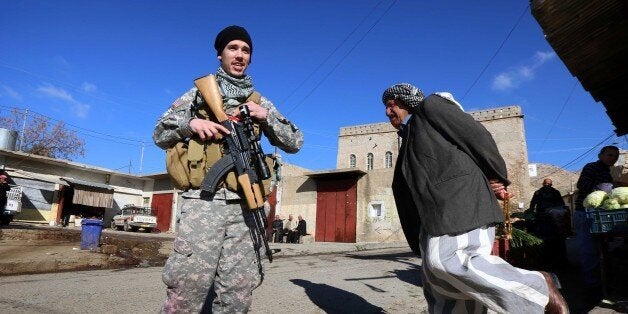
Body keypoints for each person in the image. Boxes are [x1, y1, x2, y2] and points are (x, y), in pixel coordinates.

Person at [153, 25, 303, 313]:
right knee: (187, 288)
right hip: (203, 204)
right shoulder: (196, 96)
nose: (239, 55)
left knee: (237, 294)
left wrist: (266, 117)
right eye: (233, 48)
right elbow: (160, 133)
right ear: (220, 55)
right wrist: (190, 124)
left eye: (245, 50)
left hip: (246, 207)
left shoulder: (259, 102)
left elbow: (295, 142)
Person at [382, 83, 568, 313]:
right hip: (431, 218)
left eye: (392, 105)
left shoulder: (432, 106)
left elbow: (476, 136)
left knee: (449, 261)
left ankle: (538, 287)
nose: (388, 112)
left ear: (407, 102)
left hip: (459, 205)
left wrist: (495, 175)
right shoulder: (409, 136)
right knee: (440, 286)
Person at [573, 145, 619, 305]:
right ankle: (591, 291)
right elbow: (582, 186)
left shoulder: (606, 171)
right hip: (585, 213)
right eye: (609, 154)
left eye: (615, 155)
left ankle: (601, 286)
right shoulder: (592, 167)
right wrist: (603, 189)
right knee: (589, 251)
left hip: (598, 214)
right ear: (600, 155)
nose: (613, 157)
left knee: (599, 251)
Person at [529, 178, 568, 268]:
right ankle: (554, 261)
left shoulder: (541, 192)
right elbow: (561, 205)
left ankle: (550, 261)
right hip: (548, 220)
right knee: (552, 240)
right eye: (547, 184)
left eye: (548, 184)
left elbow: (532, 205)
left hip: (548, 220)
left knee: (548, 240)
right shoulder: (548, 192)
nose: (547, 186)